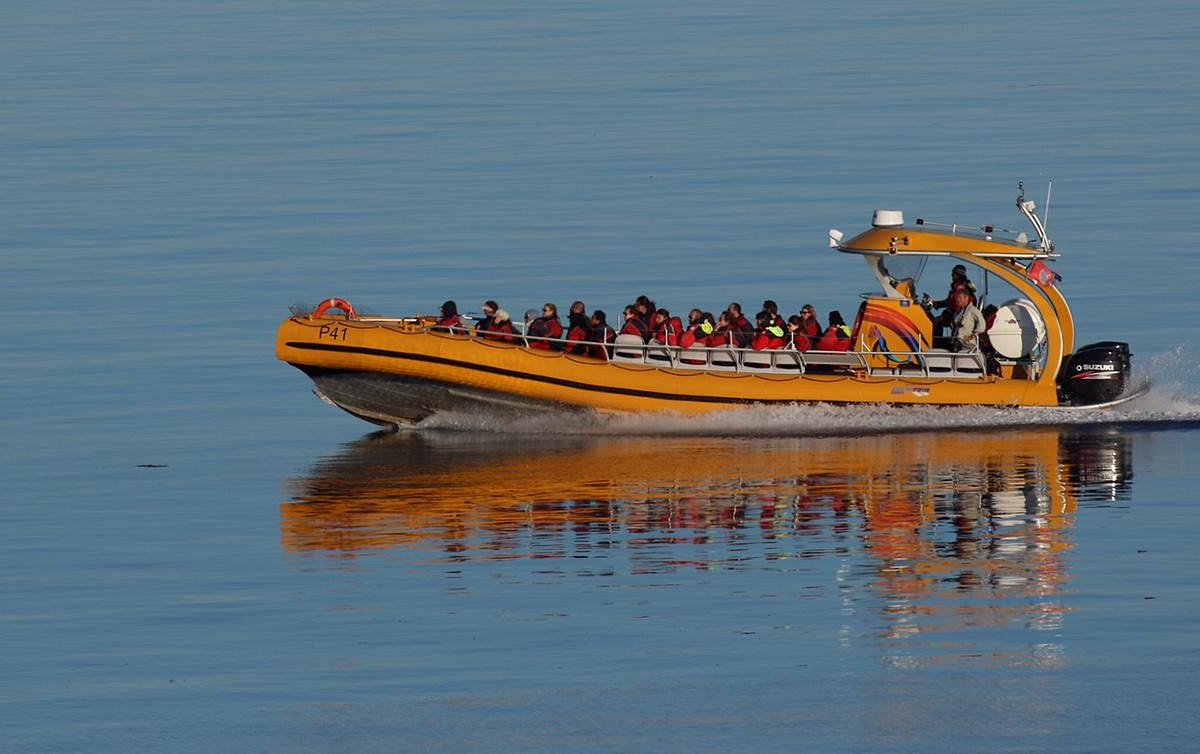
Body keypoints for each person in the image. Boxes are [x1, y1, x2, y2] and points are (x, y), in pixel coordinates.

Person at [931, 264, 979, 333]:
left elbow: (956, 306)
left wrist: (943, 316)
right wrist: (937, 304)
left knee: (935, 322)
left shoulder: (959, 287)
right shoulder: (963, 286)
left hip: (961, 317)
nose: (951, 276)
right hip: (962, 315)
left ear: (957, 274)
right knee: (938, 320)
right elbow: (951, 302)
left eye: (953, 274)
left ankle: (936, 343)